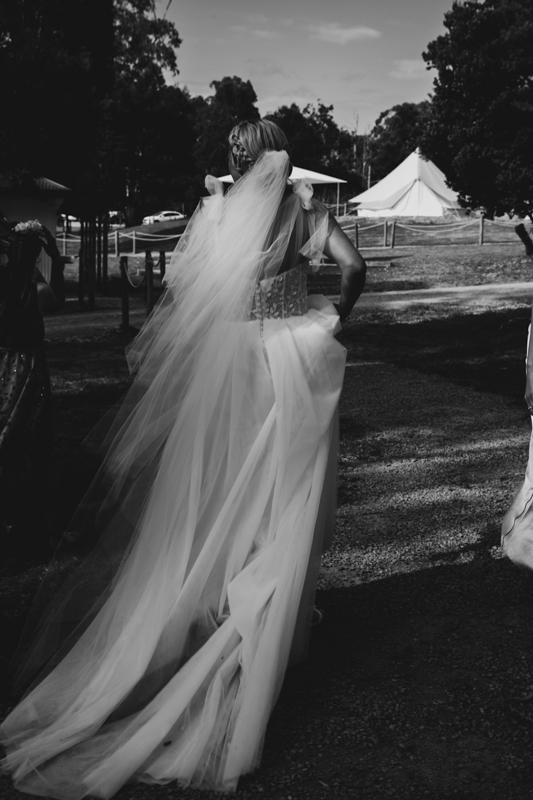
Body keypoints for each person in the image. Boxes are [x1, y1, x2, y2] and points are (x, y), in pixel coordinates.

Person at [0, 119, 366, 797]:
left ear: (235, 158)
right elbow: (355, 270)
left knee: (218, 484)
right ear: (278, 155)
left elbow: (187, 291)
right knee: (285, 492)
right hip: (290, 353)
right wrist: (336, 314)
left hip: (228, 361)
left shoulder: (217, 211)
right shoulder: (302, 211)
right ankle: (262, 620)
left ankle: (211, 609)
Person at [0, 216, 64, 557]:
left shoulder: (5, 290)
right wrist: (54, 257)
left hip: (1, 369)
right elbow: (60, 299)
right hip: (29, 371)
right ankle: (53, 532)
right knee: (41, 450)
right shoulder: (38, 292)